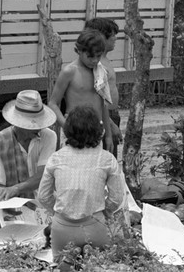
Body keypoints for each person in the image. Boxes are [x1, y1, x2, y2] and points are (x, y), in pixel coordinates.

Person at [37, 105, 124, 270]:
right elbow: (117, 198)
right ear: (98, 131)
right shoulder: (107, 159)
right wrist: (104, 212)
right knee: (99, 263)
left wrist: (57, 213)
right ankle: (90, 255)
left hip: (62, 230)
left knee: (59, 262)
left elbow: (43, 196)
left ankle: (68, 259)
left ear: (67, 131)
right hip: (95, 226)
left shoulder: (55, 158)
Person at [48, 28, 113, 153]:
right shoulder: (70, 72)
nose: (94, 60)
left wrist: (108, 135)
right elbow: (53, 103)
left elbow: (103, 104)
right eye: (90, 57)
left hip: (96, 130)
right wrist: (67, 127)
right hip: (74, 130)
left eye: (98, 56)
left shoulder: (100, 72)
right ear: (78, 51)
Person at [0, 90, 57, 202]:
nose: (38, 128)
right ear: (19, 123)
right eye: (32, 124)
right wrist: (2, 195)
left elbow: (43, 175)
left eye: (39, 122)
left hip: (44, 202)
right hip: (15, 204)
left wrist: (15, 189)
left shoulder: (49, 136)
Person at [84, 18, 122, 158]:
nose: (115, 38)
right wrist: (110, 125)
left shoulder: (104, 60)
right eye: (112, 34)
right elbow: (92, 98)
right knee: (104, 159)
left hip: (111, 115)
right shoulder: (95, 63)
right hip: (102, 118)